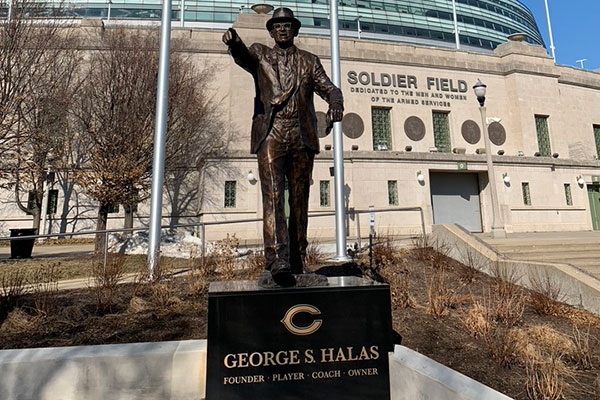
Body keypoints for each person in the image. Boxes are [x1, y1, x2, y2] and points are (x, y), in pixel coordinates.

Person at [222, 7, 343, 286]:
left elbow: (330, 88)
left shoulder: (309, 62)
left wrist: (336, 104)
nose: (283, 29)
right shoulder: (260, 54)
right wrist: (234, 42)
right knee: (274, 195)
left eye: (287, 25)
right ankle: (277, 259)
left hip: (301, 135)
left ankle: (298, 257)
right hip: (271, 132)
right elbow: (244, 57)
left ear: (295, 29)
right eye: (277, 25)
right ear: (271, 31)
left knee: (299, 200)